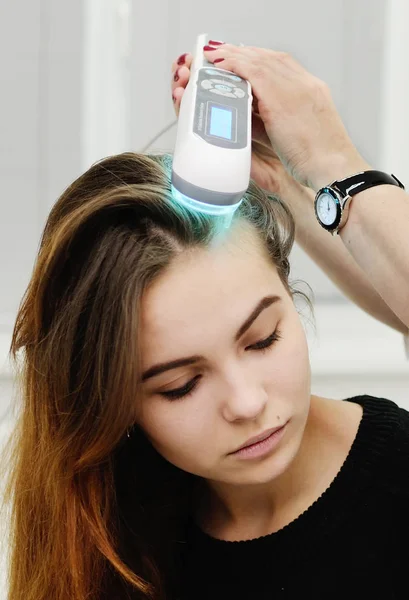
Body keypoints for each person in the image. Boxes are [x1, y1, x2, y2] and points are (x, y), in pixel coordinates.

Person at [0, 45, 408, 600]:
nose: (246, 403)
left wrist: (333, 165)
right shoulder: (114, 545)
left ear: (290, 295)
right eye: (180, 385)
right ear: (112, 405)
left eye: (263, 340)